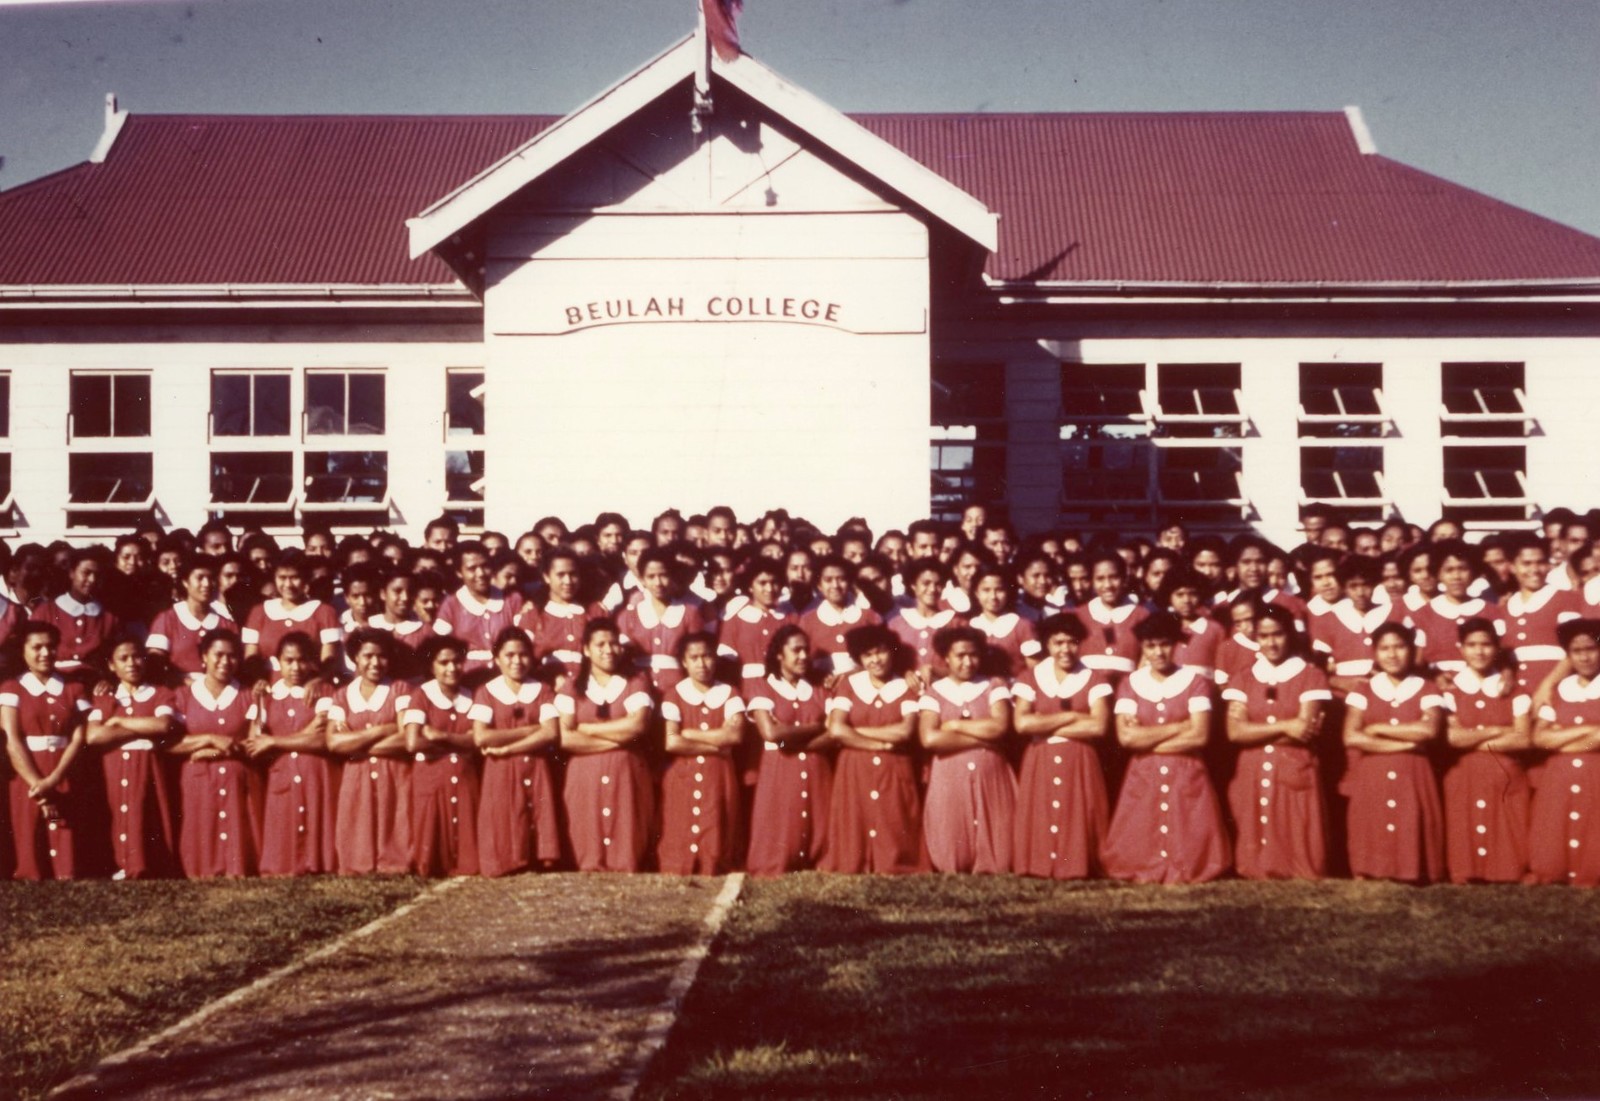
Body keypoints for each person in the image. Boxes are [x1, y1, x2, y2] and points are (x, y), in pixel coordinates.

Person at [1101, 613, 1230, 884]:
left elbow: (1199, 736)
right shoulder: (1131, 684)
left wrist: (1147, 737)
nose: (1158, 652)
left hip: (1185, 770)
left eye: (1164, 644)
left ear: (1175, 645)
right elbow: (1126, 739)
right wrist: (1179, 726)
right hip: (1144, 771)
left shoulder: (1195, 682)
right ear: (1143, 648)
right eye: (1151, 646)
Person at [1223, 604, 1333, 879]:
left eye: (1278, 635)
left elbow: (1305, 730)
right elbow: (1234, 733)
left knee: (1297, 829)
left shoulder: (1311, 674)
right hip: (1252, 766)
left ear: (1289, 635)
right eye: (1264, 636)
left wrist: (1256, 730)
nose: (1271, 643)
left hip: (1294, 763)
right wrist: (1287, 725)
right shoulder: (1243, 677)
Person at [1341, 623, 1446, 884]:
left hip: (1412, 773)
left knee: (1409, 818)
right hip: (1373, 772)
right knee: (1371, 820)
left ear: (1411, 650)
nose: (1392, 654)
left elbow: (1429, 730)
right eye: (1385, 648)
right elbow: (1351, 736)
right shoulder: (1363, 689)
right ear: (1375, 653)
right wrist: (1405, 744)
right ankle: (1370, 869)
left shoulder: (1427, 687)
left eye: (1399, 647)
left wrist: (1376, 729)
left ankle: (1411, 871)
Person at [1010, 613, 1111, 880]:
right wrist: (1073, 716)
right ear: (1048, 644)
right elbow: (1021, 724)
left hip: (1079, 756)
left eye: (1071, 642)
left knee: (1078, 812)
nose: (1065, 649)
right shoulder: (1030, 677)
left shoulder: (1093, 678)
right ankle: (1039, 864)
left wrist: (1044, 723)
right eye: (1058, 643)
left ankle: (1077, 864)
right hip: (1040, 755)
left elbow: (1098, 726)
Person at [821, 624, 927, 874]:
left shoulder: (906, 686)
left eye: (880, 652)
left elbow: (905, 732)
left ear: (891, 652)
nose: (875, 660)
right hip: (855, 766)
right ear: (860, 658)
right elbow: (836, 729)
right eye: (868, 655)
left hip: (894, 766)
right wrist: (878, 744)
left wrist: (855, 733)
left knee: (894, 816)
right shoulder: (849, 684)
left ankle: (893, 862)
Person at [557, 618, 656, 872]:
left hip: (626, 770)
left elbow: (638, 727)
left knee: (627, 822)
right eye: (600, 644)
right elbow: (566, 738)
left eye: (614, 643)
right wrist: (617, 738)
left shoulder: (636, 681)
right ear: (586, 650)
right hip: (584, 773)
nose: (609, 650)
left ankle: (624, 862)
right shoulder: (572, 686)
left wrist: (587, 729)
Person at [918, 625, 1016, 874]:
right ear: (947, 658)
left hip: (991, 773)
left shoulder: (994, 685)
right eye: (960, 656)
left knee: (1000, 842)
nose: (967, 662)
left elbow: (1000, 727)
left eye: (973, 655)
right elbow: (930, 739)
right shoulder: (934, 692)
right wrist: (982, 740)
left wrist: (954, 726)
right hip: (949, 774)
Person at [1441, 617, 1532, 884]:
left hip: (1505, 773)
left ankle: (1504, 871)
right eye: (1471, 645)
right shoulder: (1451, 691)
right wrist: (1496, 731)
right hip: (1464, 774)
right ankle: (1467, 871)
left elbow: (1523, 739)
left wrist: (1474, 739)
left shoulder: (1514, 690)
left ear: (1496, 648)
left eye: (1486, 645)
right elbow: (1453, 738)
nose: (1479, 652)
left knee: (1507, 824)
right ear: (1461, 648)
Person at [244, 631, 338, 876]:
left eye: (302, 660)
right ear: (278, 661)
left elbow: (323, 739)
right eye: (289, 661)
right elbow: (255, 741)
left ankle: (317, 863)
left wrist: (275, 742)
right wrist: (298, 736)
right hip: (282, 772)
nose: (296, 667)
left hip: (316, 771)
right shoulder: (268, 695)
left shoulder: (323, 691)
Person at [170, 628, 261, 878]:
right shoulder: (184, 696)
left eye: (232, 656)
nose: (225, 662)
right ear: (204, 657)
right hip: (198, 779)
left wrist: (211, 753)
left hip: (237, 779)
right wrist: (210, 740)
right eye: (218, 655)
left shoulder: (248, 696)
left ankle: (237, 868)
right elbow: (171, 744)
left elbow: (253, 743)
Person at [4, 621, 92, 879]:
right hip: (27, 770)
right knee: (30, 836)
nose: (45, 653)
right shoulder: (12, 688)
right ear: (23, 651)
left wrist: (54, 779)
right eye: (37, 647)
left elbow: (78, 736)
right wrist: (38, 785)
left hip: (63, 767)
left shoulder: (73, 688)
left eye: (51, 647)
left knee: (65, 836)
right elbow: (12, 737)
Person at [471, 628, 561, 878]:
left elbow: (551, 733)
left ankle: (539, 859)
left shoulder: (542, 689)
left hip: (534, 764)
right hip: (500, 769)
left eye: (522, 655)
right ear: (497, 658)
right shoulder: (486, 692)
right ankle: (509, 860)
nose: (516, 661)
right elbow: (482, 736)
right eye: (509, 655)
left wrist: (509, 747)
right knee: (504, 811)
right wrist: (531, 730)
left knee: (536, 810)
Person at [745, 625, 833, 875]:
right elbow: (771, 733)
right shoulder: (763, 687)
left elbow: (834, 733)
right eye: (796, 650)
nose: (804, 656)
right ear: (779, 655)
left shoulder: (818, 689)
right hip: (779, 768)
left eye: (806, 650)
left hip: (816, 768)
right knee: (781, 821)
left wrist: (791, 739)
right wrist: (816, 727)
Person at [87, 637, 178, 878]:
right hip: (115, 764)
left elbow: (164, 724)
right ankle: (122, 864)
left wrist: (119, 723)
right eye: (123, 658)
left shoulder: (160, 693)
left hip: (147, 762)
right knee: (119, 810)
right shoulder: (106, 697)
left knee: (147, 810)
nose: (132, 663)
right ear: (111, 665)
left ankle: (149, 865)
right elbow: (94, 735)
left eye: (137, 656)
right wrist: (141, 727)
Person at [327, 627, 414, 875]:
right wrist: (380, 731)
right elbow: (334, 743)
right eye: (368, 656)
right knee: (358, 815)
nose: (375, 663)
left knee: (394, 814)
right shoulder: (342, 696)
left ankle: (394, 862)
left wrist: (355, 742)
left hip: (394, 771)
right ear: (355, 658)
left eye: (382, 656)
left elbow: (406, 737)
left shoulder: (400, 690)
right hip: (357, 773)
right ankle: (357, 863)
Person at [658, 632, 745, 874]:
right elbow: (671, 743)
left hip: (718, 775)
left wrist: (689, 734)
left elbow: (735, 736)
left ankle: (713, 865)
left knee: (717, 821)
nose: (701, 663)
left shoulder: (730, 693)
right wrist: (716, 746)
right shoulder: (674, 694)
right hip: (682, 774)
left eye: (706, 656)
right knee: (680, 822)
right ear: (684, 662)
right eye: (694, 658)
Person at [402, 633, 481, 877]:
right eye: (444, 663)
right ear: (431, 666)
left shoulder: (472, 695)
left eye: (457, 662)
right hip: (432, 776)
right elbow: (413, 742)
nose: (452, 668)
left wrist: (441, 737)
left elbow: (476, 741)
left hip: (465, 776)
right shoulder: (421, 696)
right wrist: (461, 742)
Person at [1528, 618, 1600, 885]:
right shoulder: (1558, 691)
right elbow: (1540, 738)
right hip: (1560, 776)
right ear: (1568, 656)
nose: (1585, 657)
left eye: (1591, 649)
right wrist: (1589, 732)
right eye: (1577, 652)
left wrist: (1562, 738)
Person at [617, 547, 707, 695]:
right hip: (638, 689)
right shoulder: (628, 615)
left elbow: (698, 654)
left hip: (679, 690)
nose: (658, 582)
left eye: (663, 575)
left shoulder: (690, 613)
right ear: (642, 579)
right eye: (651, 577)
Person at [431, 541, 524, 683]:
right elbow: (439, 648)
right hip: (466, 679)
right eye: (472, 568)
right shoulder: (451, 604)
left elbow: (524, 642)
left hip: (507, 677)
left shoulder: (512, 600)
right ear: (459, 572)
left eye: (485, 566)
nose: (480, 573)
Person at [242, 551, 340, 676]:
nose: (288, 585)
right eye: (282, 578)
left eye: (295, 578)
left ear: (306, 579)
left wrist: (316, 681)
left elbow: (329, 659)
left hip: (310, 684)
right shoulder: (259, 612)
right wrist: (258, 680)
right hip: (268, 684)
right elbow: (251, 656)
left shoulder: (324, 611)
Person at [517, 546, 605, 684]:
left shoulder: (595, 611)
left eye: (573, 574)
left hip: (589, 686)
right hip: (545, 686)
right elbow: (521, 655)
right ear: (546, 577)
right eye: (561, 575)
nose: (568, 581)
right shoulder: (533, 614)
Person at [146, 556, 232, 684]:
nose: (207, 584)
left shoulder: (226, 624)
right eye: (200, 578)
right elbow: (155, 664)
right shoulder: (167, 619)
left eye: (211, 578)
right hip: (177, 691)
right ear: (185, 582)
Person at [40, 548, 121, 683]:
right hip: (51, 679)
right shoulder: (46, 611)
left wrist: (108, 680)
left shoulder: (109, 617)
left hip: (95, 682)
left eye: (97, 575)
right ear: (72, 573)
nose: (92, 580)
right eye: (86, 573)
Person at [798, 556, 880, 680]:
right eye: (828, 580)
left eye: (841, 579)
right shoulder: (807, 621)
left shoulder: (869, 617)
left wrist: (853, 673)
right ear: (819, 585)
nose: (835, 585)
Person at [1073, 550, 1147, 679]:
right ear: (1092, 581)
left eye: (1114, 577)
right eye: (1100, 579)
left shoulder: (1141, 616)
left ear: (1124, 578)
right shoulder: (1078, 615)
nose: (1107, 585)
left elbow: (1145, 659)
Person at [886, 558, 961, 682]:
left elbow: (964, 666)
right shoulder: (896, 624)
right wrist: (905, 673)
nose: (932, 589)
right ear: (913, 585)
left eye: (938, 584)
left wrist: (937, 671)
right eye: (926, 583)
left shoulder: (956, 623)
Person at [966, 564, 1037, 678]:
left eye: (999, 590)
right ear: (976, 593)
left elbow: (1034, 670)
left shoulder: (1022, 626)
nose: (993, 596)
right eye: (986, 590)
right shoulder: (970, 626)